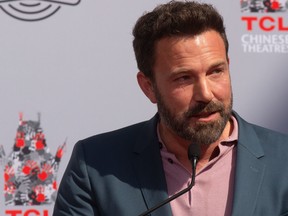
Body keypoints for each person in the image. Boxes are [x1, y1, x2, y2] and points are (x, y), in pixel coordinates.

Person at [53, 1, 288, 216]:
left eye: (215, 71)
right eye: (184, 78)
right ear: (148, 87)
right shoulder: (95, 165)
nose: (205, 94)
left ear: (228, 66)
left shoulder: (283, 159)